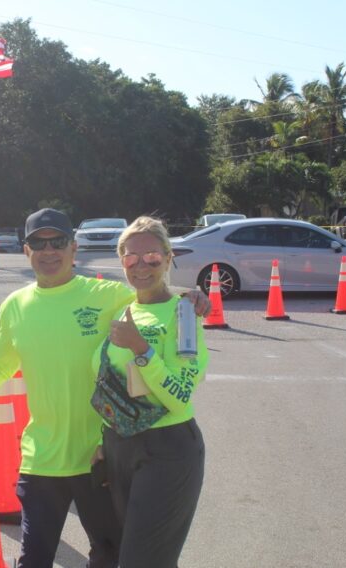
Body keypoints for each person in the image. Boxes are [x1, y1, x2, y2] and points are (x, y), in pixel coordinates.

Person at [0, 208, 209, 568]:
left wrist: (190, 298)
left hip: (97, 459)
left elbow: (150, 290)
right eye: (39, 243)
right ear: (26, 250)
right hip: (43, 458)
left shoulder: (107, 295)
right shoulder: (15, 306)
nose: (49, 251)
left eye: (58, 242)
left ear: (73, 248)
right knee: (33, 560)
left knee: (110, 556)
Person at [97, 215, 207, 568]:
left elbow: (180, 396)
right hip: (119, 446)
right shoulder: (121, 309)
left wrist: (142, 350)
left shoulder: (184, 313)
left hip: (168, 449)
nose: (141, 266)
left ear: (169, 257)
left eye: (152, 257)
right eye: (131, 258)